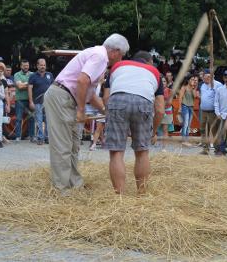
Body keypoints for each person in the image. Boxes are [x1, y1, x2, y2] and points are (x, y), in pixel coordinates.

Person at [44, 34, 128, 194]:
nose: (121, 58)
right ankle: (61, 189)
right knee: (63, 145)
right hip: (62, 97)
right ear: (115, 51)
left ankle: (74, 183)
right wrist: (81, 110)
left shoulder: (98, 56)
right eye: (122, 54)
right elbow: (82, 81)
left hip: (67, 97)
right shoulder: (100, 57)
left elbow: (90, 93)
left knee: (74, 145)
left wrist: (105, 111)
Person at [103, 50, 164, 194]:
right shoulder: (154, 71)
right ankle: (142, 194)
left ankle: (119, 197)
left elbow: (106, 98)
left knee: (117, 152)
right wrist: (152, 132)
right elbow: (160, 109)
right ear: (149, 62)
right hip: (143, 102)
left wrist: (111, 115)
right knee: (142, 151)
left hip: (118, 100)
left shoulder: (117, 66)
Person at [28, 58, 54, 145]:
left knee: (48, 120)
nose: (43, 66)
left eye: (44, 65)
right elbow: (29, 88)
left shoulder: (50, 75)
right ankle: (40, 138)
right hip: (37, 102)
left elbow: (53, 88)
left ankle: (47, 137)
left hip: (48, 102)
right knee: (39, 120)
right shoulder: (33, 76)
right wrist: (31, 101)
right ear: (37, 65)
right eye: (41, 65)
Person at [198, 70, 222, 154]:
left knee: (214, 130)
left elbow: (220, 98)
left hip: (213, 112)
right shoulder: (202, 85)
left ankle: (217, 148)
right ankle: (205, 149)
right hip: (203, 111)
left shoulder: (218, 85)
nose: (206, 79)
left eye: (208, 77)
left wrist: (218, 111)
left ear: (213, 76)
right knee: (203, 130)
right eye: (205, 77)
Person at [13, 60, 33, 141]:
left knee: (31, 117)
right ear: (21, 66)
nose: (26, 67)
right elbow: (19, 87)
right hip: (20, 100)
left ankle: (31, 136)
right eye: (24, 65)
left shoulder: (32, 74)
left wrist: (24, 84)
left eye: (27, 65)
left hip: (30, 99)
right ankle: (18, 136)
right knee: (18, 118)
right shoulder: (16, 74)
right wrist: (29, 85)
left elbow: (33, 85)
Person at [178, 75, 198, 147]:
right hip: (185, 106)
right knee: (185, 124)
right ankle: (184, 140)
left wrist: (194, 87)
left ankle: (186, 140)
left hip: (191, 107)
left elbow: (195, 96)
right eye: (192, 79)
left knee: (188, 124)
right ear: (188, 80)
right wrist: (180, 107)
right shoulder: (184, 87)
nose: (193, 80)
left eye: (194, 79)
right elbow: (180, 97)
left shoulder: (192, 88)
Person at [157, 76, 174, 151]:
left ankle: (164, 147)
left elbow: (170, 102)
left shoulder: (170, 90)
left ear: (167, 83)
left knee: (165, 129)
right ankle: (160, 143)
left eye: (164, 81)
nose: (163, 83)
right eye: (161, 81)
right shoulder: (156, 90)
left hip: (167, 111)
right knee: (158, 129)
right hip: (158, 111)